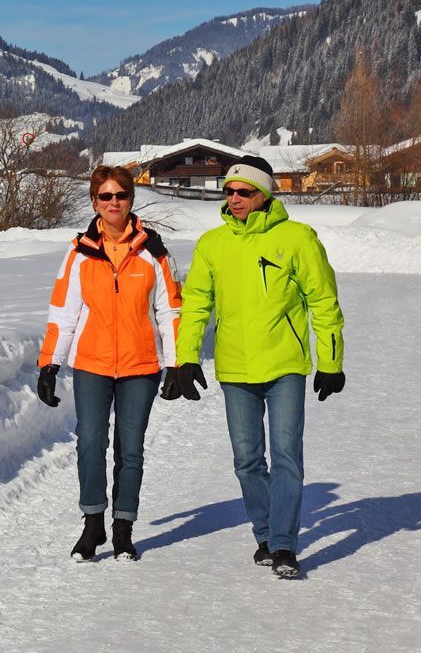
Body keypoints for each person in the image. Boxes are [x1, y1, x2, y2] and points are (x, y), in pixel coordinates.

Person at [173, 155, 345, 578]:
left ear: (264, 194)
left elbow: (323, 302)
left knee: (287, 456)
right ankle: (266, 535)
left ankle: (284, 544)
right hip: (235, 369)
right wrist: (186, 357)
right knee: (247, 460)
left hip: (285, 364)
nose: (234, 198)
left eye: (244, 192)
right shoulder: (212, 244)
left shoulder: (298, 238)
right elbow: (196, 304)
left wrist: (331, 361)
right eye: (229, 191)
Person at [36, 165, 183, 561]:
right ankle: (93, 523)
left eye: (120, 195)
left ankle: (123, 529)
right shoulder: (80, 251)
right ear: (94, 202)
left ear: (131, 200)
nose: (113, 203)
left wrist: (176, 363)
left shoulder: (153, 251)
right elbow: (64, 312)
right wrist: (50, 364)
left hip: (140, 366)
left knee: (130, 449)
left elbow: (170, 310)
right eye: (106, 196)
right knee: (90, 444)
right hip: (92, 364)